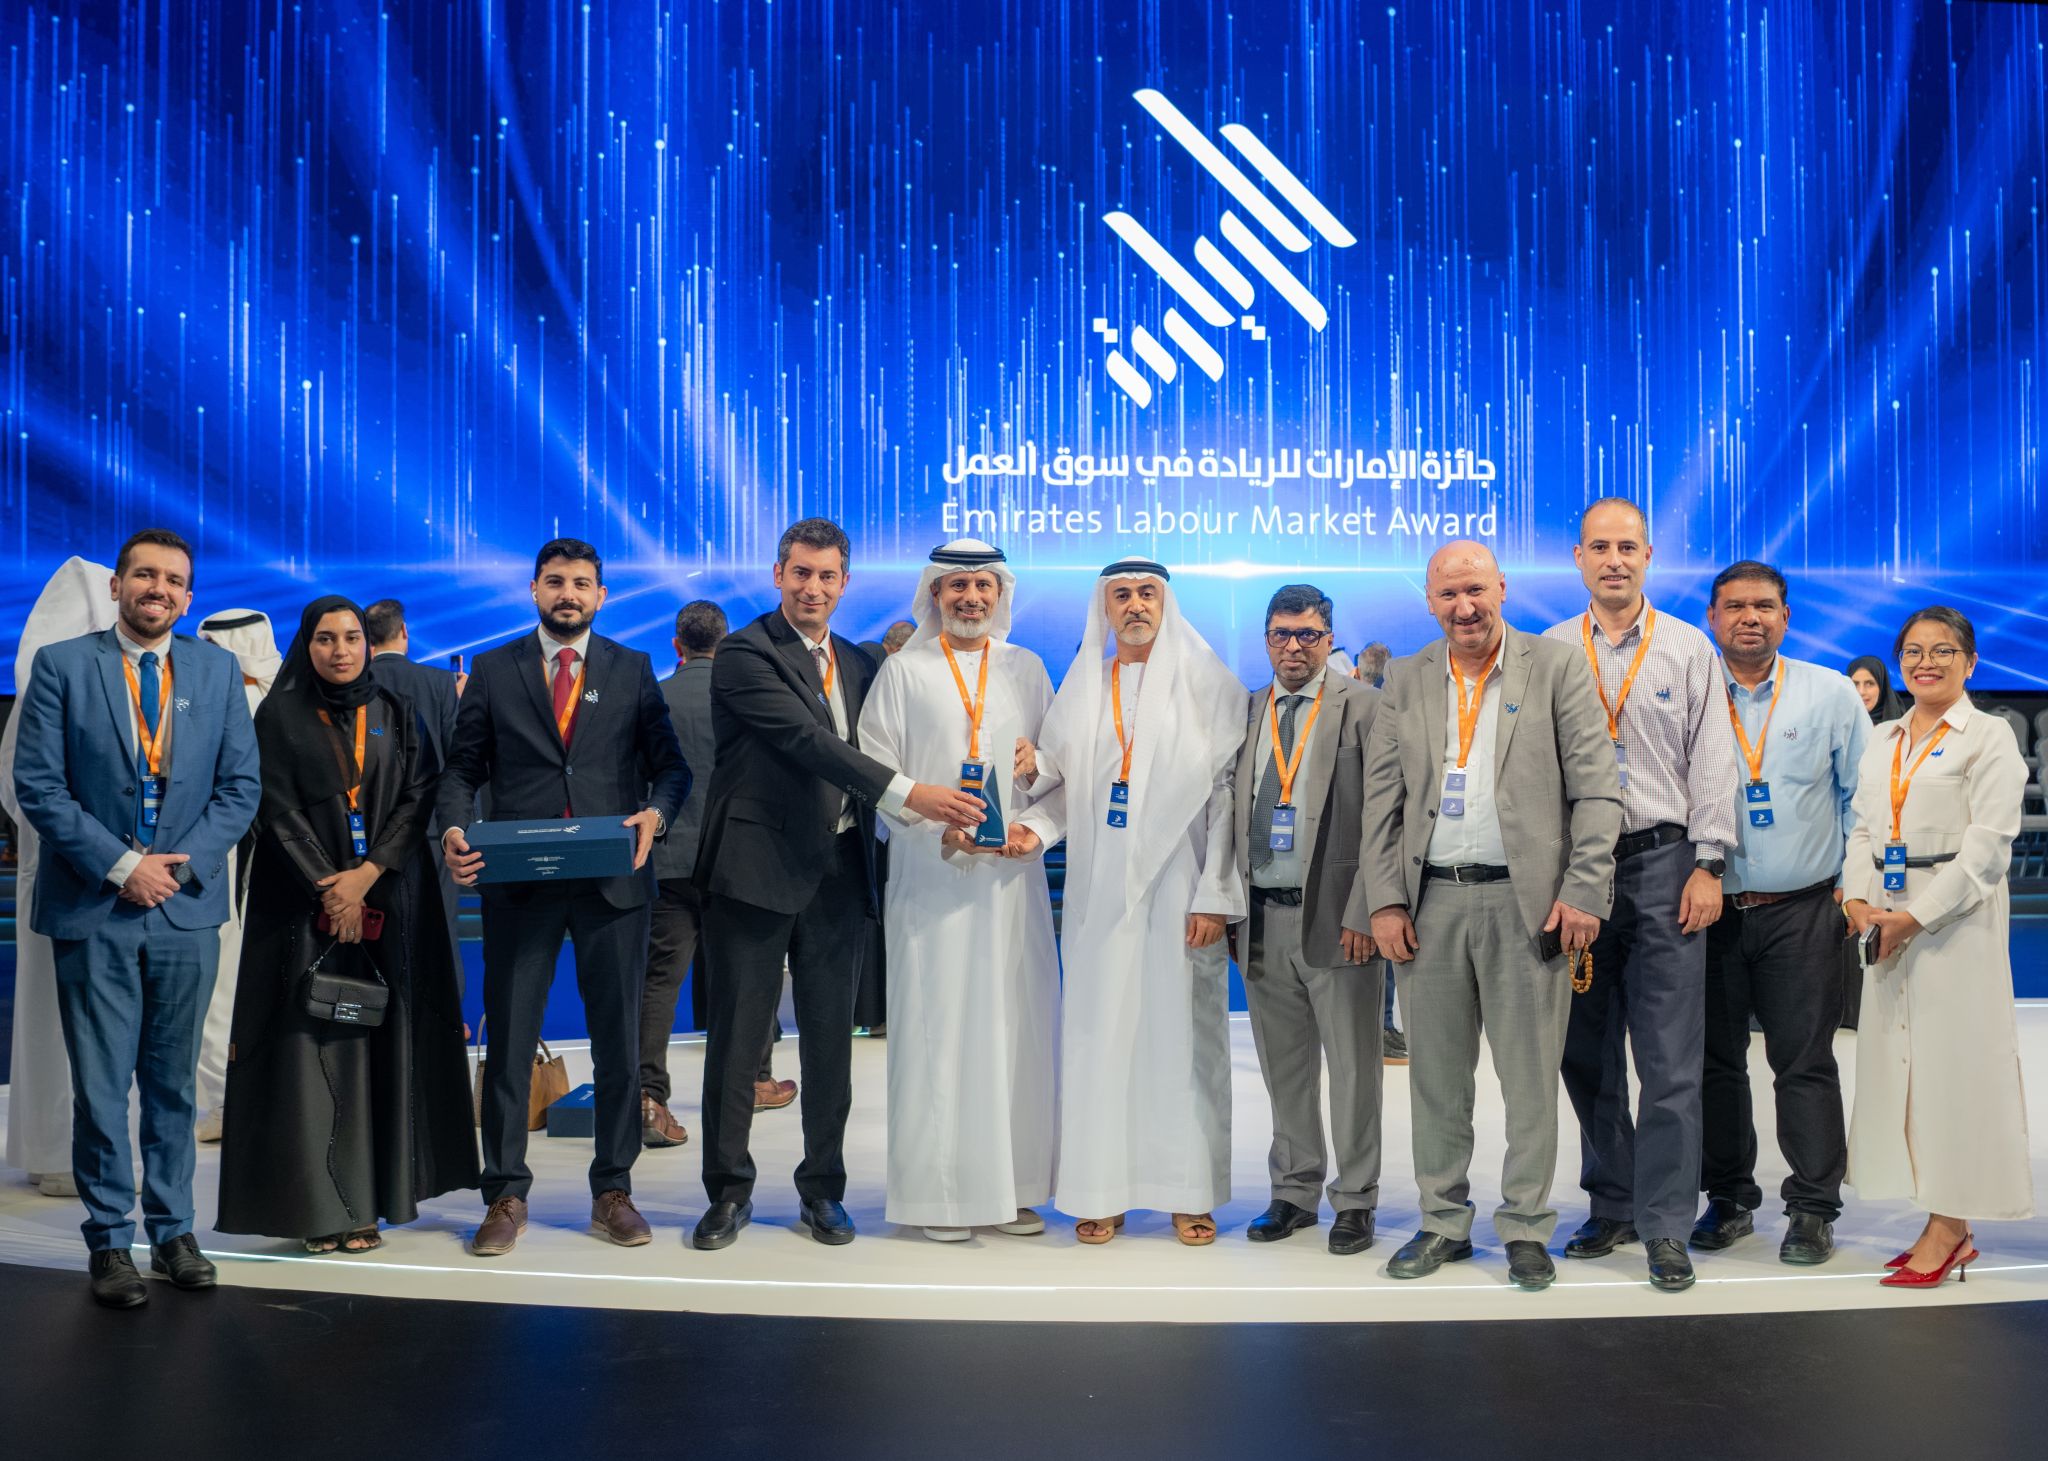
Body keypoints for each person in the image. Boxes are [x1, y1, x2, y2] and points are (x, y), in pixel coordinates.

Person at [690, 519, 984, 1250]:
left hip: (840, 875)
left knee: (831, 1046)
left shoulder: (859, 661)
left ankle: (822, 1190)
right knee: (737, 1043)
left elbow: (900, 740)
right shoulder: (744, 653)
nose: (813, 588)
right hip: (754, 874)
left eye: (826, 576)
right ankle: (728, 1192)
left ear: (845, 583)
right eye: (801, 573)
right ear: (778, 575)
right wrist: (915, 794)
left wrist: (1001, 764)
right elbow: (808, 742)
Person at [10, 529, 262, 1308]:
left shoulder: (218, 671)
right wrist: (124, 866)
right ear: (117, 585)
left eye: (174, 579)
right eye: (145, 575)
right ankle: (110, 1240)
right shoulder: (62, 666)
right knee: (100, 1085)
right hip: (96, 905)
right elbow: (39, 785)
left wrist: (175, 866)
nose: (160, 588)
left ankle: (175, 1230)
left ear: (189, 596)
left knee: (173, 1087)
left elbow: (240, 788)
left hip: (184, 908)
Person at [1362, 540, 1621, 1291]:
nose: (1464, 607)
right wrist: (1384, 898)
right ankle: (1442, 1222)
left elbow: (1598, 789)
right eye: (1448, 594)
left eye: (1475, 589)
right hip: (1431, 903)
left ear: (1501, 588)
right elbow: (1382, 802)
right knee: (1436, 1081)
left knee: (1531, 1080)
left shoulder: (1557, 666)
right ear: (1430, 602)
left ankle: (1527, 1226)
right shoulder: (1407, 677)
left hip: (1528, 906)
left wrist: (1585, 889)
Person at [438, 539, 690, 1257]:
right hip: (520, 883)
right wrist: (453, 828)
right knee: (510, 1045)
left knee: (618, 1047)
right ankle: (505, 1194)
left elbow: (672, 769)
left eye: (582, 583)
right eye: (555, 581)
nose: (568, 594)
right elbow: (461, 769)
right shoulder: (495, 669)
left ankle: (613, 1190)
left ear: (601, 595)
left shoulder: (633, 668)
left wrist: (657, 813)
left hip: (614, 882)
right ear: (534, 589)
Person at [215, 597, 479, 1250]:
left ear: (368, 643)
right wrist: (331, 889)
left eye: (352, 637)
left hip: (389, 900)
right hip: (300, 910)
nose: (341, 650)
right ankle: (318, 1209)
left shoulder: (395, 709)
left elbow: (419, 794)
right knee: (311, 1056)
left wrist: (367, 875)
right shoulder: (279, 714)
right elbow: (274, 808)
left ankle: (368, 1204)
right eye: (326, 638)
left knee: (379, 1045)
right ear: (306, 645)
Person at [1015, 558, 1245, 1246]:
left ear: (1165, 603)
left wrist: (1216, 894)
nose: (1136, 605)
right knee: (1100, 1037)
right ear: (1105, 608)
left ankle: (1187, 1191)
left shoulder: (1209, 684)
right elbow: (1063, 788)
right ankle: (1101, 1190)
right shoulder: (1084, 686)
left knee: (1184, 1041)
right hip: (1100, 894)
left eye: (1147, 593)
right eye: (1122, 595)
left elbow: (1227, 801)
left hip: (1182, 887)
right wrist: (1034, 816)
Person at [1543, 499, 1739, 1292]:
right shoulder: (1549, 651)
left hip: (1665, 864)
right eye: (1600, 546)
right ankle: (1612, 1201)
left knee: (1669, 1059)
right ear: (1579, 558)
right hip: (1578, 873)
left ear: (1649, 556)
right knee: (1585, 1052)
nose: (1614, 559)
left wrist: (1709, 862)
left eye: (1628, 546)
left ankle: (1664, 1223)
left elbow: (1715, 761)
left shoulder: (1689, 648)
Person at [857, 539, 1060, 1241]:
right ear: (935, 594)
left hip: (1009, 884)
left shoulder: (1026, 667)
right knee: (939, 1033)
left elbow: (1055, 772)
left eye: (983, 586)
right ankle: (940, 1197)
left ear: (1000, 594)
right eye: (958, 586)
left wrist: (1033, 776)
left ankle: (1015, 1188)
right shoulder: (903, 671)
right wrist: (931, 815)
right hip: (933, 880)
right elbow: (875, 772)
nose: (971, 598)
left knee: (1014, 1032)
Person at [1843, 606, 2033, 1286]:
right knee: (1903, 1071)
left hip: (1954, 922)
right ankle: (1940, 1217)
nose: (1927, 662)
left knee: (1956, 1073)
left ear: (1970, 662)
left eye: (1944, 650)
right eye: (1914, 651)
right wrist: (1856, 899)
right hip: (1884, 917)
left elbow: (1987, 851)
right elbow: (1863, 828)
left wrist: (1915, 918)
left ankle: (1950, 1227)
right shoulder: (1884, 737)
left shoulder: (1990, 737)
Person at [1694, 563, 1868, 1264]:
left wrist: (1851, 886)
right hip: (1708, 910)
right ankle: (1729, 1197)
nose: (1750, 618)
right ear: (1711, 617)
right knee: (1715, 1064)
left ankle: (1813, 1208)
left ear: (1786, 617)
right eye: (1735, 606)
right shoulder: (1692, 688)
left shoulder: (1830, 693)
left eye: (1764, 606)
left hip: (1803, 909)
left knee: (1804, 1062)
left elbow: (1862, 798)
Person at [1227, 584, 1386, 1255]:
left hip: (1339, 920)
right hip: (1263, 916)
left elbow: (1384, 819)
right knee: (1284, 1068)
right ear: (1267, 640)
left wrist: (1366, 911)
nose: (1294, 647)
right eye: (1282, 634)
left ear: (1329, 639)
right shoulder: (1244, 711)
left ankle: (1356, 1199)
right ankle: (1293, 1191)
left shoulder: (1366, 707)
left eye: (1308, 635)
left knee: (1353, 1070)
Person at [641, 600, 793, 1150]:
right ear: (726, 645)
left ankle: (649, 1098)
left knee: (659, 982)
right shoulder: (747, 693)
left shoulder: (653, 696)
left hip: (668, 860)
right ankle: (755, 1080)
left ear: (676, 646)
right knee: (748, 975)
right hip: (737, 859)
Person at [0, 558, 117, 1198]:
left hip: (77, 873)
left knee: (70, 1019)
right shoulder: (56, 692)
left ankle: (56, 1148)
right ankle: (63, 1152)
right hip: (70, 877)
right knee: (68, 1018)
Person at [190, 608, 284, 1143]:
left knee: (225, 985)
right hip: (235, 858)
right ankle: (238, 1101)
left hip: (249, 857)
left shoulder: (269, 692)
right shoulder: (290, 692)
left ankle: (232, 1100)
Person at [363, 599, 465, 990]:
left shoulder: (355, 682)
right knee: (441, 929)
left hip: (369, 834)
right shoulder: (440, 683)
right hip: (432, 830)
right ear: (404, 632)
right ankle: (449, 1017)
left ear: (365, 639)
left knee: (374, 927)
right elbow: (458, 758)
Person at [1845, 655, 1906, 724]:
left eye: (1869, 684)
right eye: (1855, 684)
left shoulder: (1902, 725)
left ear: (1882, 687)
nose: (1861, 692)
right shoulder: (1840, 723)